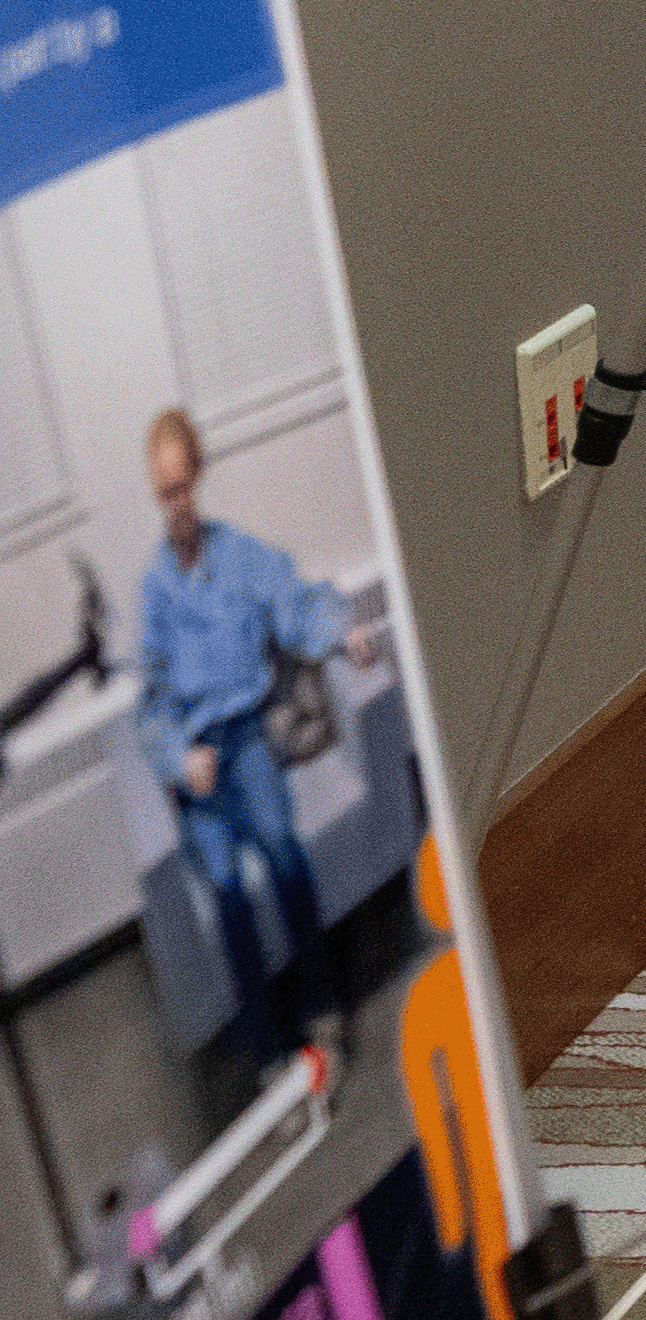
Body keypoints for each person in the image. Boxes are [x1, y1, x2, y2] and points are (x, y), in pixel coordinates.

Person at [133, 408, 380, 1042]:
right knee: (227, 894)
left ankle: (323, 1010)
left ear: (198, 478)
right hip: (200, 765)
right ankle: (268, 1048)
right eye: (165, 492)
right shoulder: (154, 590)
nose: (177, 504)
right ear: (155, 494)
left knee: (283, 852)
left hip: (247, 740)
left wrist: (341, 631)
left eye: (184, 487)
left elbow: (298, 602)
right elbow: (150, 705)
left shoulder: (239, 555)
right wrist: (179, 759)